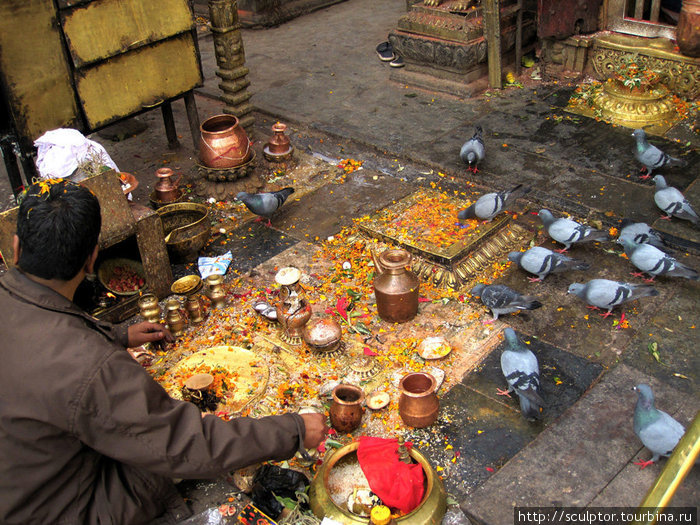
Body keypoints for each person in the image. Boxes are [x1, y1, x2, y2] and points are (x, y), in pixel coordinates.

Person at [0, 179, 328, 524]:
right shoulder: (89, 365)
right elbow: (181, 444)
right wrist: (292, 430)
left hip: (21, 483)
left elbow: (50, 331)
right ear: (93, 258)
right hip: (58, 511)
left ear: (16, 248)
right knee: (160, 458)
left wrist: (117, 335)